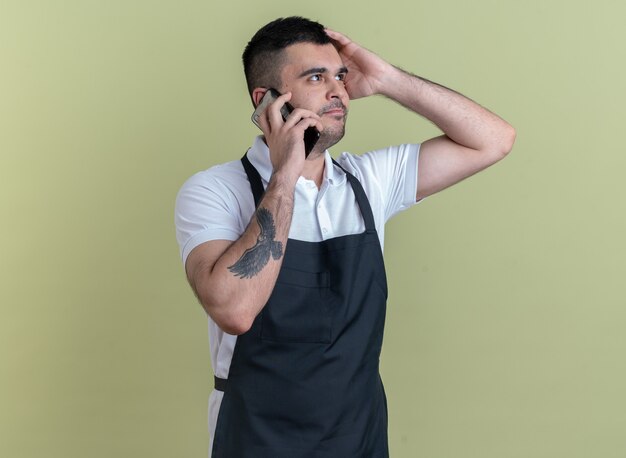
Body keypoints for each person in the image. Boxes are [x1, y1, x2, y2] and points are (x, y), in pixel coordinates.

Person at [175, 16, 515, 458]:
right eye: (316, 77)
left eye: (340, 75)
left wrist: (388, 79)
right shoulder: (214, 190)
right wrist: (285, 174)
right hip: (257, 438)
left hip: (359, 437)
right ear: (267, 102)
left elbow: (494, 139)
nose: (339, 90)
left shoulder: (368, 181)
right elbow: (235, 310)